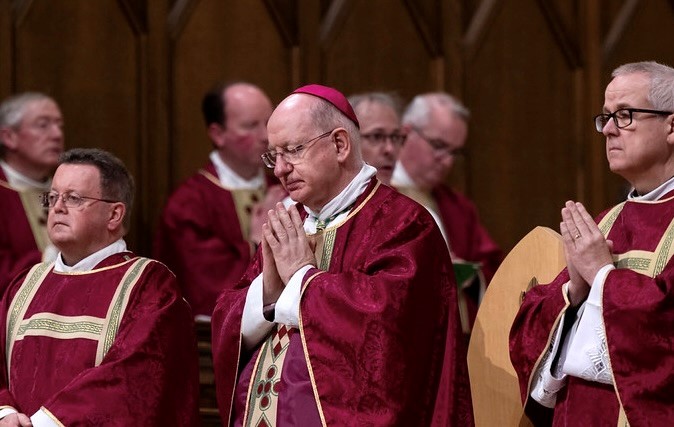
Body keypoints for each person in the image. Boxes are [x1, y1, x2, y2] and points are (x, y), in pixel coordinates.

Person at [211, 84, 472, 426]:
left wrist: (303, 280)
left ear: (339, 144)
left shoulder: (402, 224)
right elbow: (227, 319)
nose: (279, 170)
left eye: (292, 150)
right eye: (273, 155)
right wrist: (268, 291)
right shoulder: (292, 222)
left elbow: (389, 333)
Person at [510, 61, 674, 425]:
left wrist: (603, 275)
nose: (609, 130)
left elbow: (663, 334)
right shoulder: (604, 222)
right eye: (605, 117)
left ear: (672, 126)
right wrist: (574, 290)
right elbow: (528, 332)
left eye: (625, 115)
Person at [0, 148, 200, 426]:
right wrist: (6, 413)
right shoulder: (25, 285)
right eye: (53, 196)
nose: (57, 207)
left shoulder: (148, 285)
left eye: (73, 198)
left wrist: (43, 422)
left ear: (114, 215)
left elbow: (134, 377)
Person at [154, 82, 283, 318]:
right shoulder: (189, 203)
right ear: (218, 134)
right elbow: (205, 286)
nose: (266, 136)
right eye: (251, 126)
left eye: (268, 122)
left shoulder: (285, 186)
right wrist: (255, 243)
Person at [392, 92, 503, 332]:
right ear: (406, 133)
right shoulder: (378, 195)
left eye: (455, 152)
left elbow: (491, 267)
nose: (447, 161)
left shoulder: (458, 208)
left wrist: (469, 274)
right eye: (439, 146)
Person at [0, 92, 64, 291]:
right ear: (9, 137)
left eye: (59, 125)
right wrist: (54, 256)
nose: (57, 135)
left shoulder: (71, 190)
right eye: (43, 125)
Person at [347, 92, 406, 185]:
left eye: (395, 137)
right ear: (346, 142)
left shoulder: (407, 198)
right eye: (377, 136)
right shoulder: (328, 198)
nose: (390, 149)